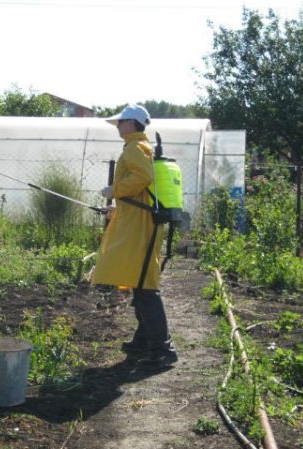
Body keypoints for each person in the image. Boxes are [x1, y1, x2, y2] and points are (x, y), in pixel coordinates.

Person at [92, 104, 177, 368]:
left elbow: (143, 176)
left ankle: (162, 349)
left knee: (144, 285)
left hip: (140, 225)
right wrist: (119, 207)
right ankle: (144, 340)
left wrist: (115, 190)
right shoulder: (140, 146)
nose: (117, 126)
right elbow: (144, 190)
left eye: (120, 122)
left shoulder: (135, 148)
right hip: (139, 220)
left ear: (131, 123)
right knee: (137, 280)